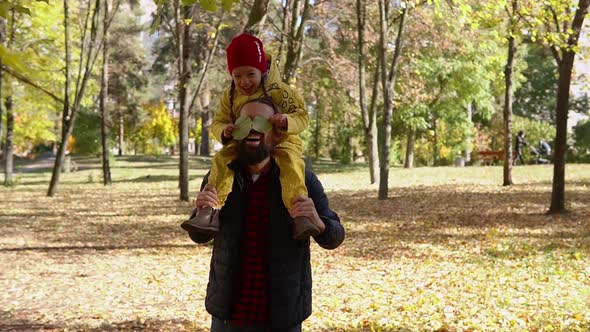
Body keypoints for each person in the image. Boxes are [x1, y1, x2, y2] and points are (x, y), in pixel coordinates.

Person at [184, 99, 345, 331]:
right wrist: (200, 211)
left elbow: (335, 236)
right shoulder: (218, 176)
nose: (252, 129)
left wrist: (319, 224)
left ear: (277, 133)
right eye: (245, 122)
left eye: (261, 122)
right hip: (229, 315)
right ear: (235, 129)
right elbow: (199, 237)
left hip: (282, 316)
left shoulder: (301, 179)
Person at [182, 33, 319, 240]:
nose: (244, 82)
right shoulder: (230, 96)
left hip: (281, 140)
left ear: (262, 70)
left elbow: (302, 116)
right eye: (237, 76)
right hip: (240, 141)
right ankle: (209, 211)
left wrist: (286, 121)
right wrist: (224, 130)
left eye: (250, 74)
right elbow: (217, 122)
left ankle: (300, 215)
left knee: (292, 166)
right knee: (221, 160)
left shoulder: (279, 91)